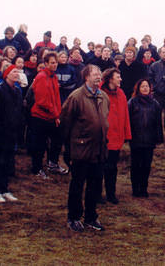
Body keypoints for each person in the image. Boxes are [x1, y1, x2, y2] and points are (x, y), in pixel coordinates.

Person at [60, 64, 109, 232]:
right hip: (81, 150)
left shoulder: (103, 97)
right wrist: (68, 149)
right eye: (95, 73)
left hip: (99, 150)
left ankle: (90, 217)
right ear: (86, 76)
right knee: (77, 185)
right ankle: (73, 217)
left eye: (100, 73)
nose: (98, 76)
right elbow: (65, 124)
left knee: (95, 186)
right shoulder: (76, 97)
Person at [0, 65, 23, 203]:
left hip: (11, 133)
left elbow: (19, 112)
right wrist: (1, 129)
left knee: (7, 162)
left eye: (18, 72)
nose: (17, 74)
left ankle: (5, 189)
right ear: (6, 74)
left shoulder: (18, 91)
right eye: (14, 71)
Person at [29, 52, 67, 178]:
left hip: (52, 116)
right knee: (39, 144)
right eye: (52, 62)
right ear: (46, 63)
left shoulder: (53, 77)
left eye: (56, 62)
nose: (55, 65)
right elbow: (42, 101)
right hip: (40, 116)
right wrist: (56, 115)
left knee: (57, 140)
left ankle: (52, 164)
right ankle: (37, 168)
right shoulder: (41, 77)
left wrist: (58, 114)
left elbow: (56, 97)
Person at [128, 78, 163, 197]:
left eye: (147, 86)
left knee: (146, 166)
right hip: (136, 139)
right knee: (135, 165)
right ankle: (135, 189)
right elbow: (128, 120)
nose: (145, 88)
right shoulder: (132, 102)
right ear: (138, 88)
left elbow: (158, 122)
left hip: (149, 140)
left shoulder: (155, 103)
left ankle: (144, 188)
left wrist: (159, 137)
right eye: (142, 86)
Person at [101, 68, 131, 204]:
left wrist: (126, 134)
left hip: (116, 137)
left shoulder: (121, 94)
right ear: (110, 79)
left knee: (112, 168)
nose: (121, 79)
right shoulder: (100, 93)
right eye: (118, 77)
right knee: (99, 167)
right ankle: (96, 194)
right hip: (102, 138)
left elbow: (125, 115)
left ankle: (111, 194)